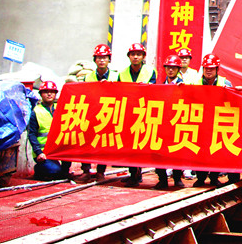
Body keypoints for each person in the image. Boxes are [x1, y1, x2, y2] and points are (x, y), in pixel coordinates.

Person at [118, 42, 156, 186]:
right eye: (133, 54)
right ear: (129, 56)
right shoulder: (122, 74)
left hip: (143, 112)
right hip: (128, 113)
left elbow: (153, 91)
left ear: (143, 56)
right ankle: (133, 173)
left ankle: (137, 174)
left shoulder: (150, 72)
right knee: (129, 145)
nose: (135, 57)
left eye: (138, 54)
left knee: (139, 145)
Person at [79, 43, 118, 182]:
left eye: (104, 57)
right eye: (99, 58)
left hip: (108, 114)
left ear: (109, 59)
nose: (102, 60)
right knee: (86, 142)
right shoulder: (88, 77)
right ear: (95, 60)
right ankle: (86, 171)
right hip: (91, 114)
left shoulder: (116, 76)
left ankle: (101, 172)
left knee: (103, 144)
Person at [194, 54, 233, 187]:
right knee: (200, 151)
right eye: (206, 68)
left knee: (216, 150)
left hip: (218, 122)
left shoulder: (225, 83)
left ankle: (214, 176)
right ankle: (200, 177)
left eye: (211, 68)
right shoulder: (195, 83)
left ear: (217, 69)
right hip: (201, 122)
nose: (208, 71)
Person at [27, 81, 73, 181]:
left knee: (64, 173)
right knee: (54, 171)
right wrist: (38, 152)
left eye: (52, 92)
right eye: (46, 92)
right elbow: (32, 134)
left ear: (56, 94)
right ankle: (39, 169)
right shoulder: (36, 112)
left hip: (59, 149)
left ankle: (63, 171)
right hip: (44, 152)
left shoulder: (61, 108)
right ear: (41, 94)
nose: (49, 94)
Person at [154, 55, 185, 189]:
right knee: (159, 151)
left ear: (178, 69)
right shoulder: (160, 86)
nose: (170, 70)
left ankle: (177, 178)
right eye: (168, 67)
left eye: (173, 68)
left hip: (177, 122)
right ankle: (162, 179)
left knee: (177, 151)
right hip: (163, 123)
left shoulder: (185, 86)